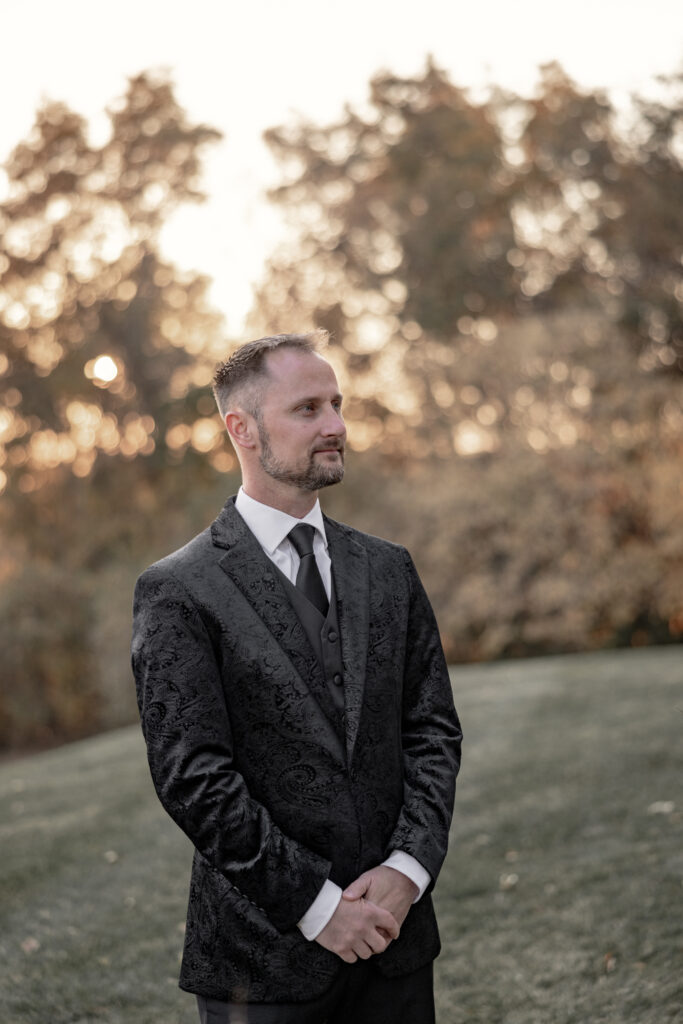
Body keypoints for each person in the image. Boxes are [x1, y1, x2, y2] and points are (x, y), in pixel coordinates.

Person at [131, 331, 462, 1023]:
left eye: (336, 405)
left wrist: (407, 871)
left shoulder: (388, 568)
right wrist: (318, 908)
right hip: (261, 963)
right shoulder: (178, 589)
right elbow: (193, 778)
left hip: (395, 944)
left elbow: (430, 729)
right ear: (241, 428)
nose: (336, 426)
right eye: (308, 409)